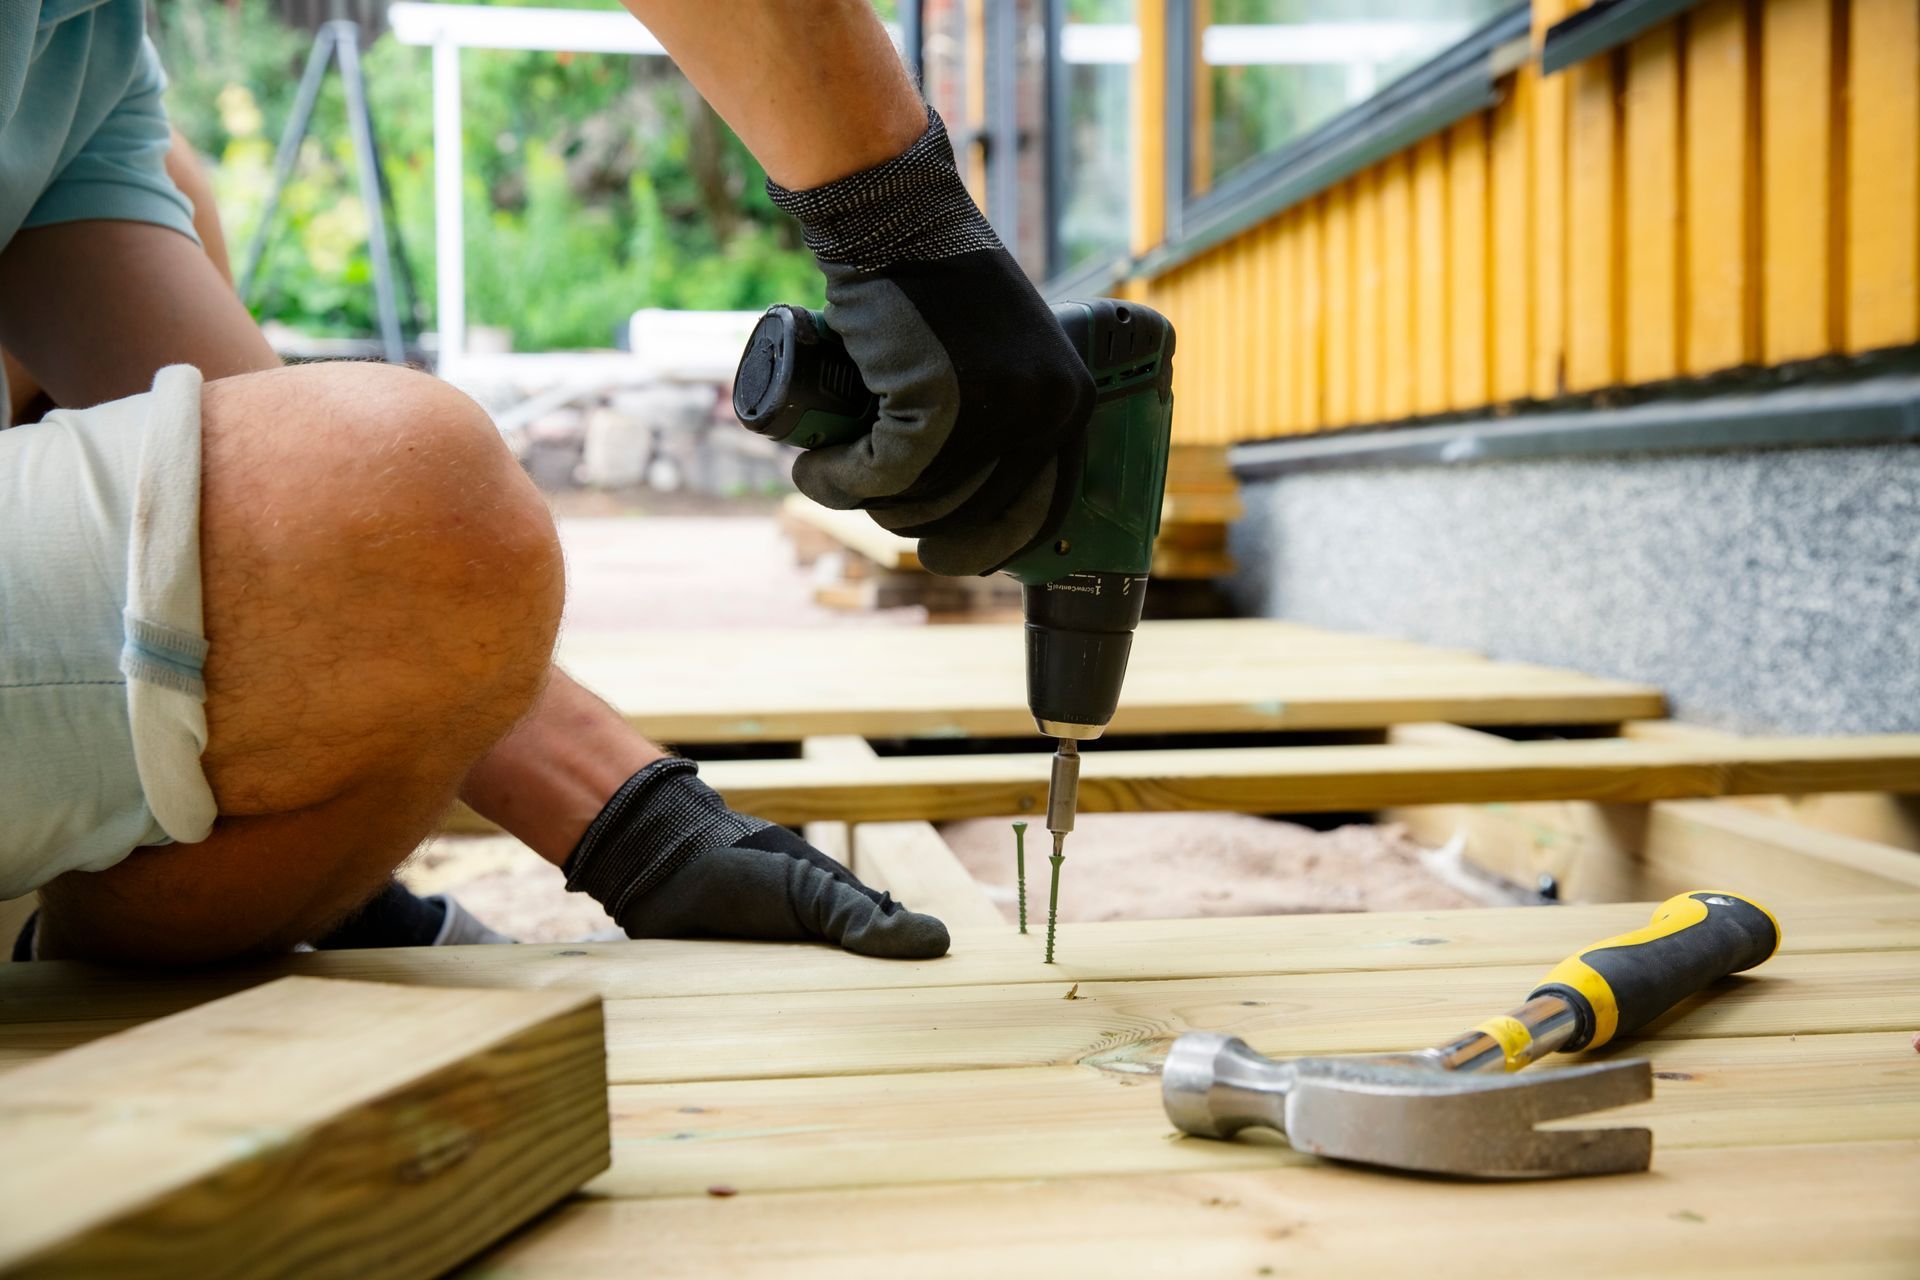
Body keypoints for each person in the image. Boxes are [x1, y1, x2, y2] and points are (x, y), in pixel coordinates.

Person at [0, 1, 1094, 965]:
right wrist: (900, 224)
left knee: (186, 207)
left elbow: (302, 572)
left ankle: (201, 918)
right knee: (421, 486)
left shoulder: (78, 41)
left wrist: (638, 825)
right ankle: (98, 952)